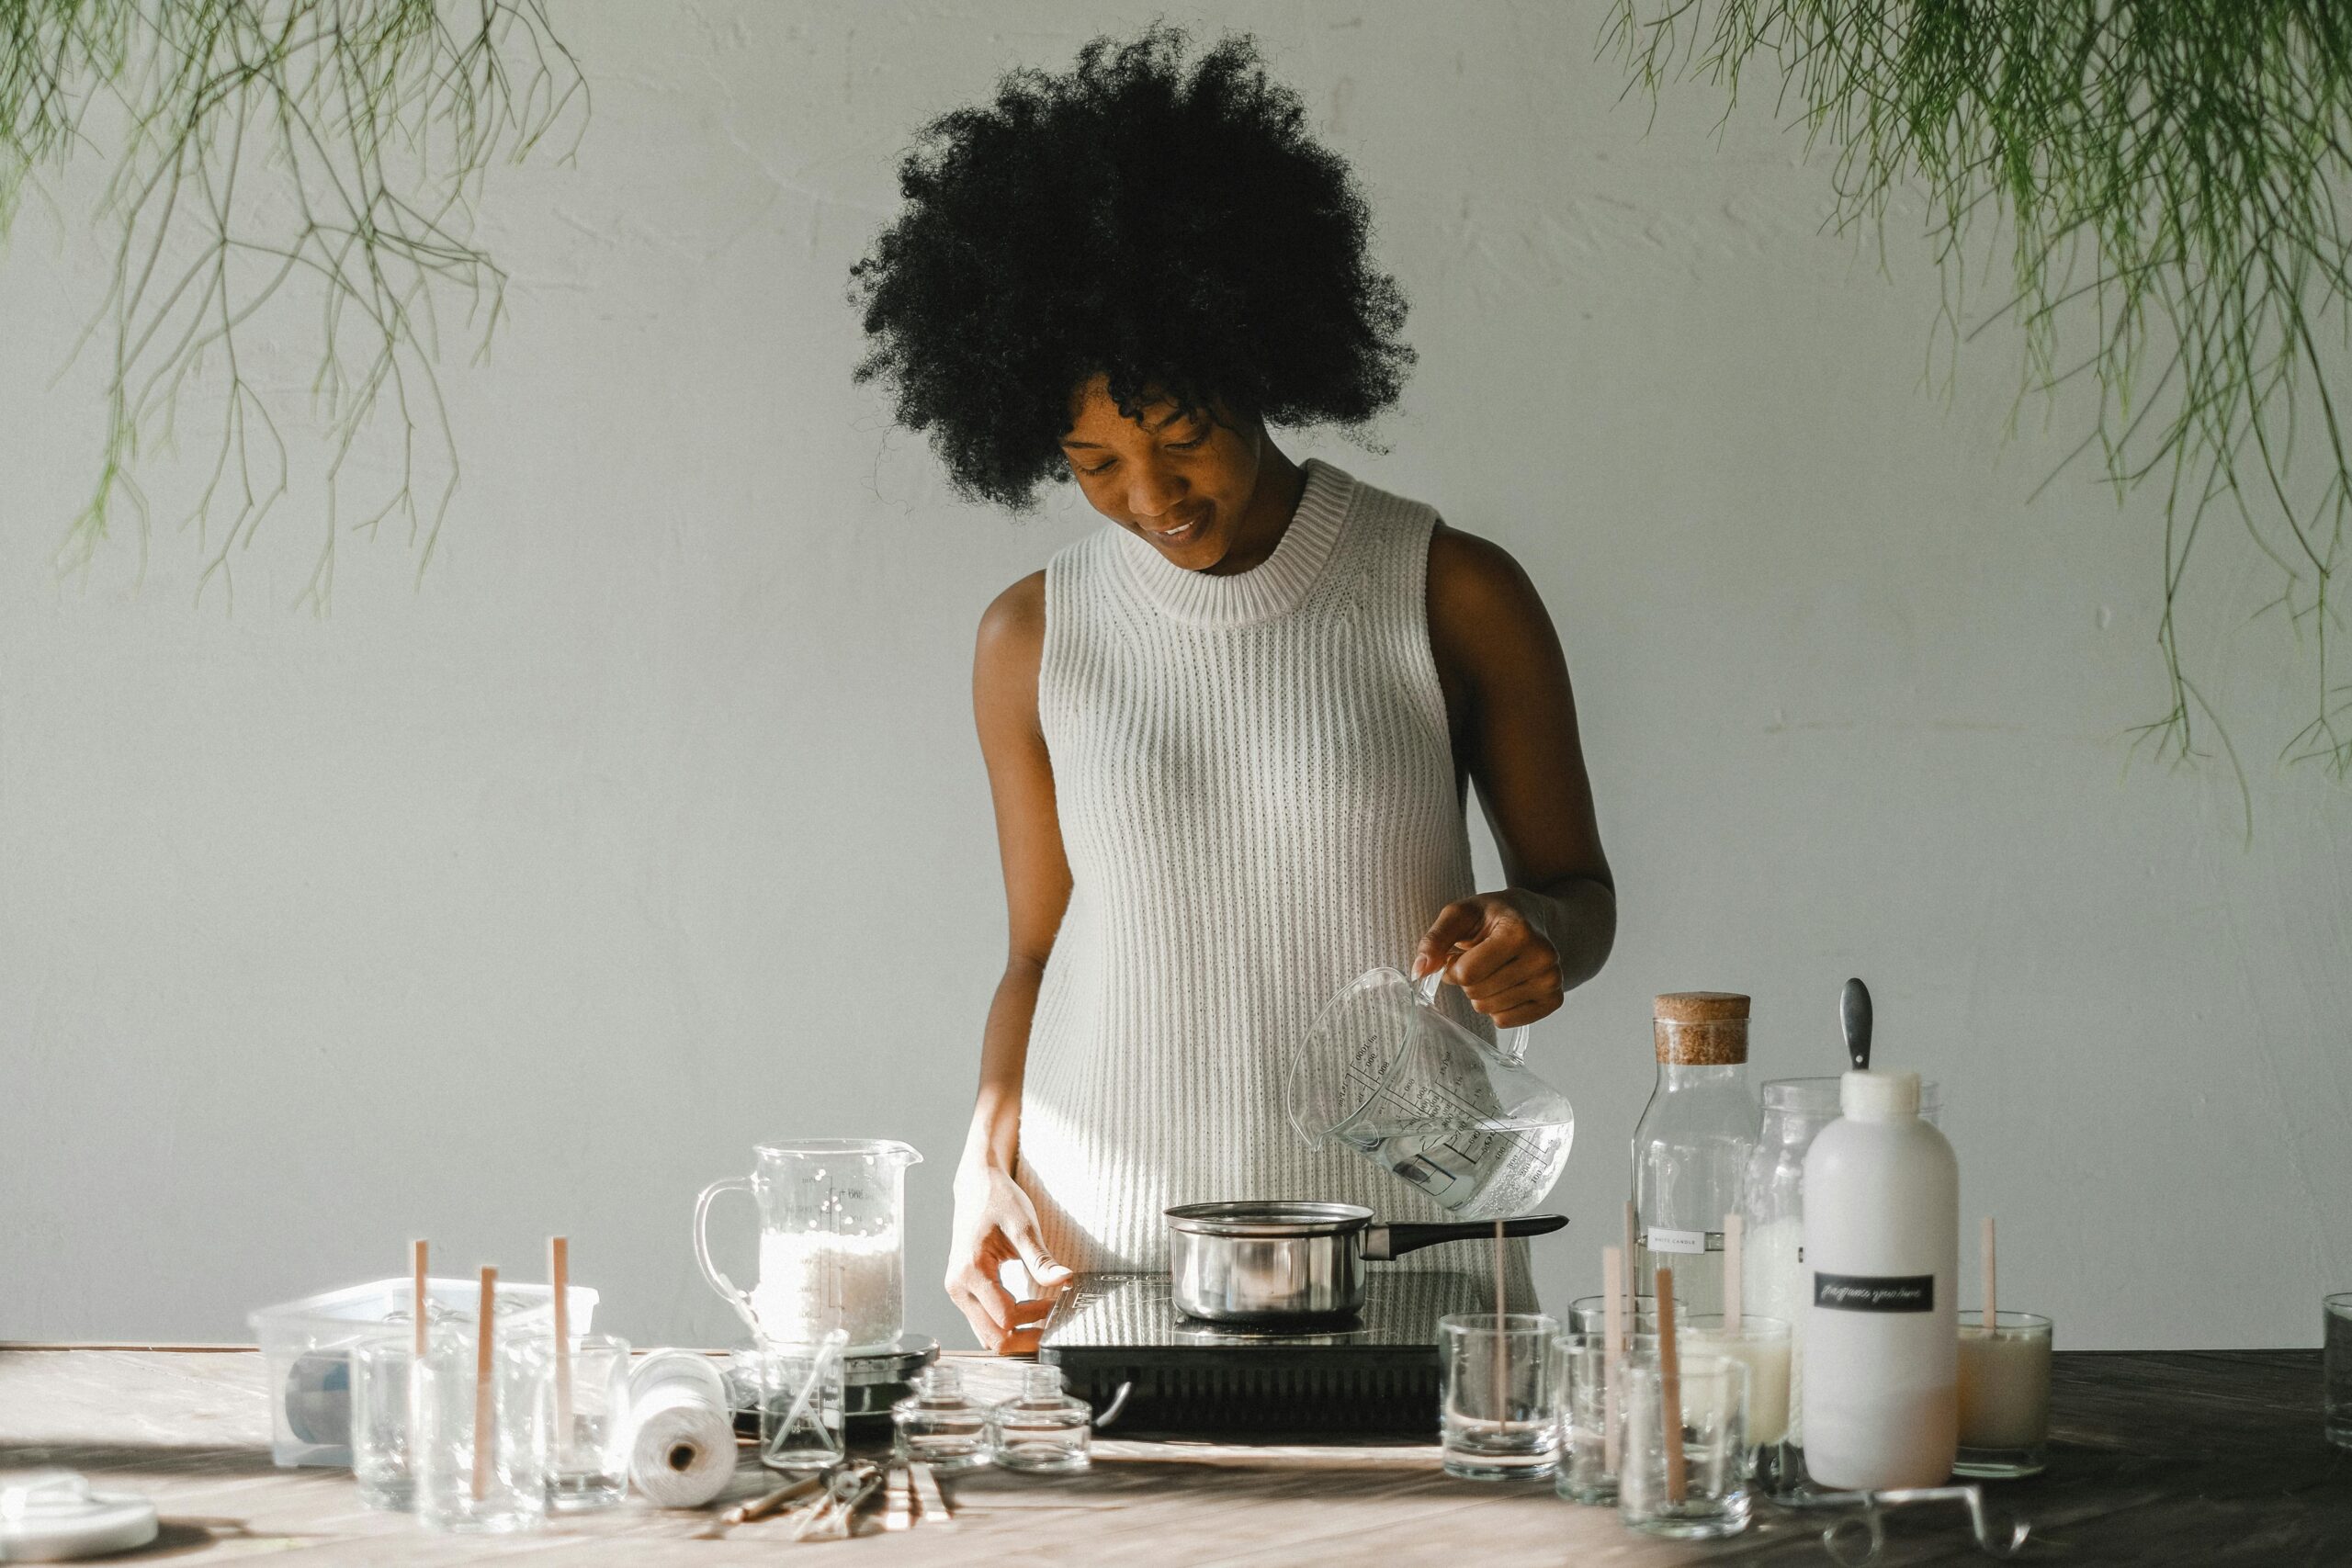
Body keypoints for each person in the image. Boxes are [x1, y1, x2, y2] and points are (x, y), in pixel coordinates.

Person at [852, 28, 1614, 1352]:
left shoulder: (1450, 589)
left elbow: (1581, 899)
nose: (1152, 500)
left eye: (1181, 435)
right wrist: (983, 1162)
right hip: (1110, 1278)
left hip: (1414, 1274)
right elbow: (1035, 953)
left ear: (1254, 355)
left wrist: (1532, 938)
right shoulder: (1033, 636)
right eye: (1094, 464)